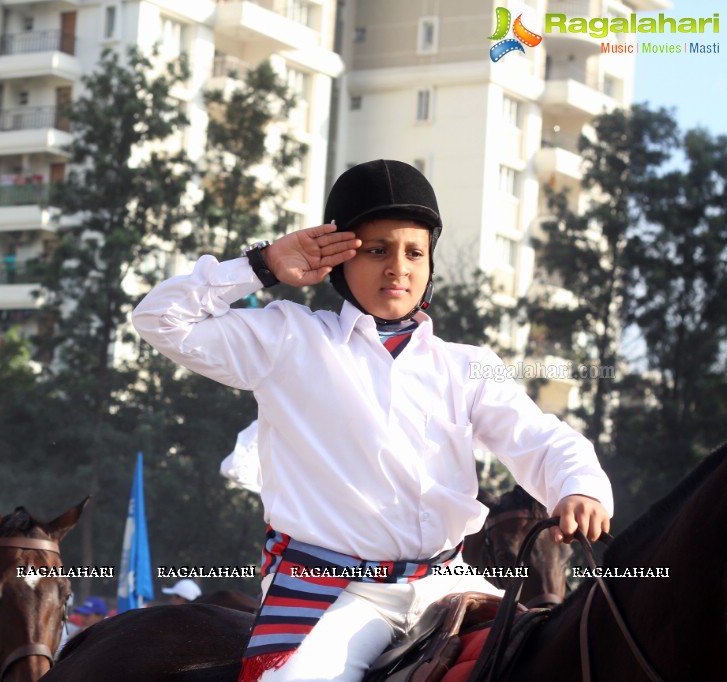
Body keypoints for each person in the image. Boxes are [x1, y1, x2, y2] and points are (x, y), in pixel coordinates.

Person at [132, 159, 613, 682]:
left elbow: (540, 440)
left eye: (414, 252)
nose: (398, 268)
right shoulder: (287, 338)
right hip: (331, 594)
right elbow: (159, 319)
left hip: (447, 582)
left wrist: (579, 487)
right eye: (377, 250)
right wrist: (264, 264)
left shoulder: (466, 365)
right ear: (336, 260)